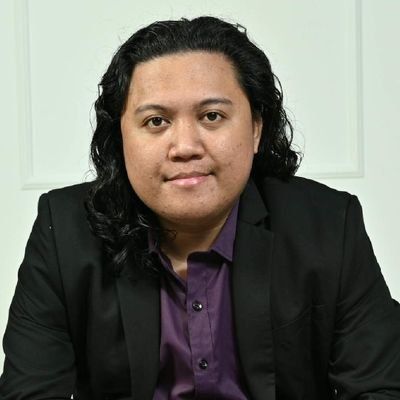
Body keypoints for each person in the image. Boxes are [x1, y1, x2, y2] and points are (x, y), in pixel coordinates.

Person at [0, 15, 399, 400]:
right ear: (120, 138)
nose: (186, 147)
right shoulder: (64, 231)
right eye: (156, 121)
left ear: (256, 128)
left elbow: (382, 386)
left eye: (212, 116)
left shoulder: (328, 224)